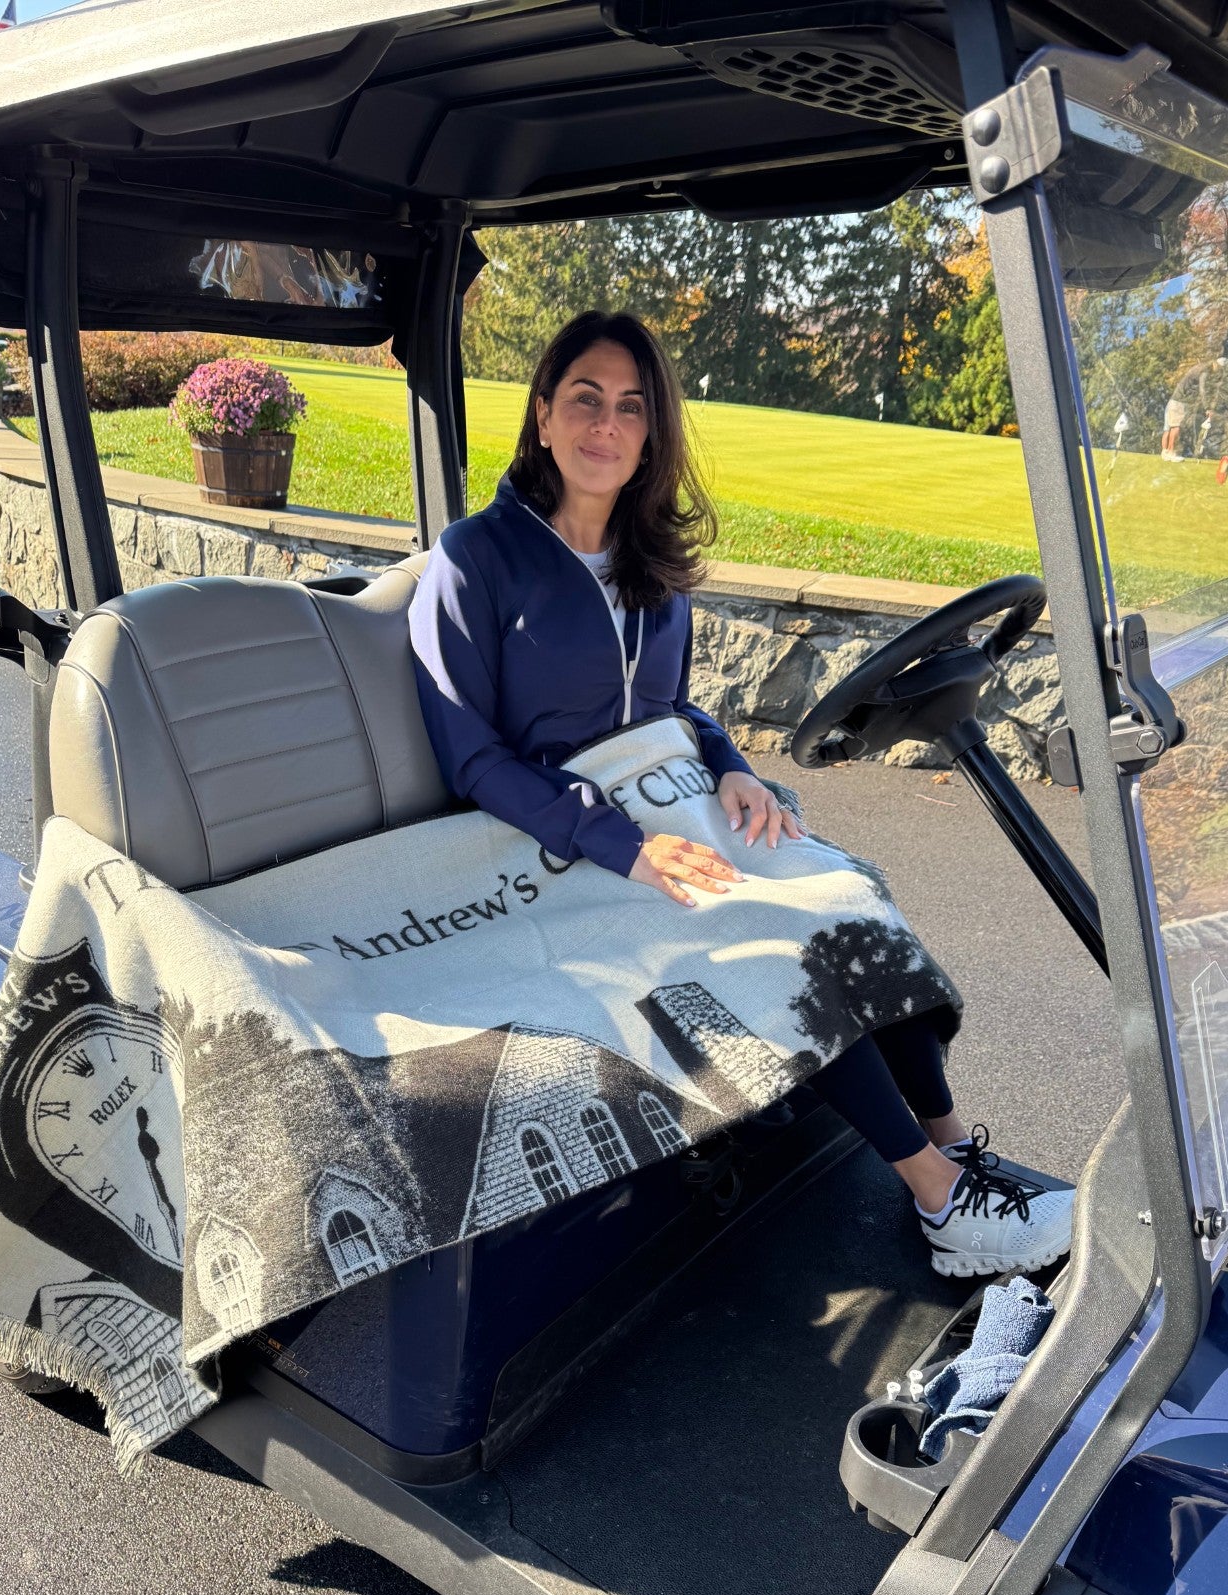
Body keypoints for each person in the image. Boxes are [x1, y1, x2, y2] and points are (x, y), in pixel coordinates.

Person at [408, 310, 1072, 1278]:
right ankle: (941, 1202)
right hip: (548, 849)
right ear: (543, 415)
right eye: (585, 400)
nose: (607, 425)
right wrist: (624, 847)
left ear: (651, 434)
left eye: (631, 408)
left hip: (663, 820)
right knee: (770, 940)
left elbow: (675, 708)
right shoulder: (475, 559)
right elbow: (471, 758)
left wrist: (732, 769)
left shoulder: (652, 567)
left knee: (846, 891)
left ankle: (955, 1149)